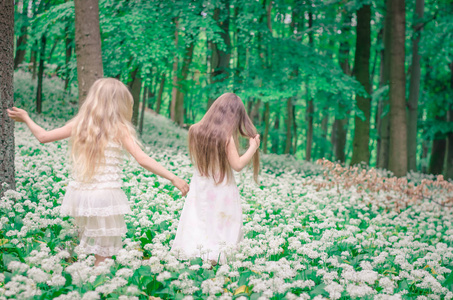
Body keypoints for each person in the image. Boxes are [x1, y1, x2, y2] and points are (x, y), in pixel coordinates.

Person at [7, 78, 189, 266]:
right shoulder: (119, 128)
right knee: (103, 254)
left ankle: (73, 271)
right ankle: (98, 285)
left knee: (82, 236)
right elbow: (142, 158)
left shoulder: (80, 124)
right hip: (104, 196)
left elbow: (43, 137)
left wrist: (27, 118)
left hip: (79, 194)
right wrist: (173, 177)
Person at [171, 92, 260, 264]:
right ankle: (215, 262)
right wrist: (253, 147)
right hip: (222, 189)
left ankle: (196, 259)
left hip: (200, 188)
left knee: (199, 222)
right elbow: (238, 165)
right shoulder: (225, 137)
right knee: (222, 227)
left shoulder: (195, 130)